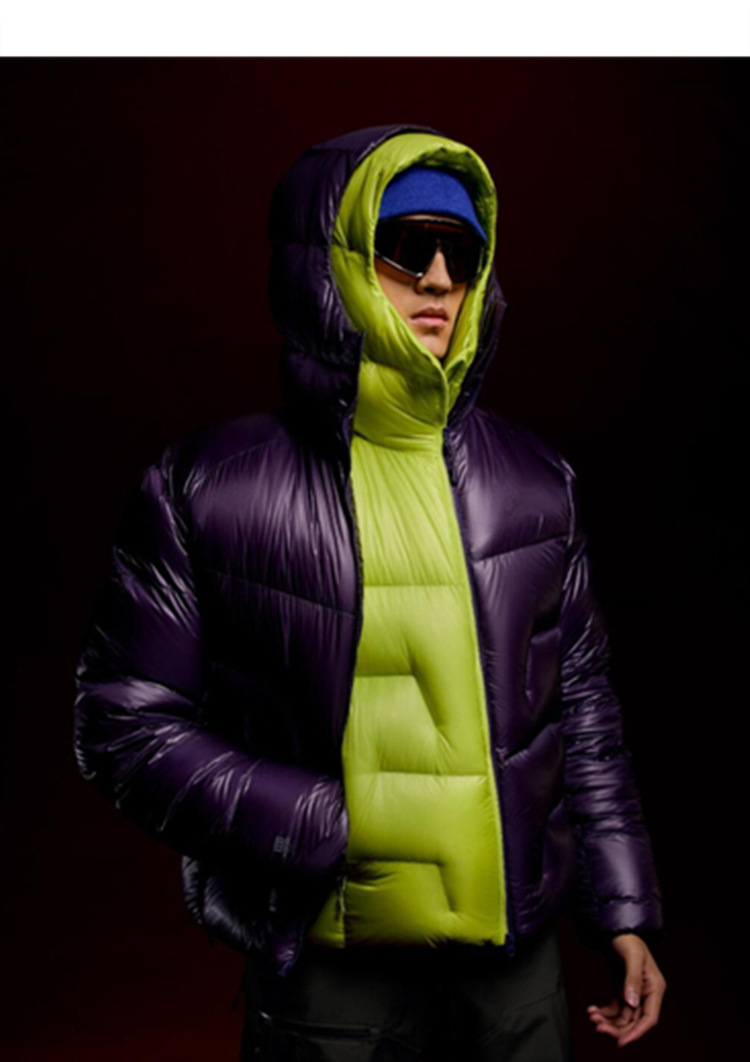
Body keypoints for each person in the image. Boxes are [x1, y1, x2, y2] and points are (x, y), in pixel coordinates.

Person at [73, 124, 666, 1060]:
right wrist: (318, 824)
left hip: (515, 974)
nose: (439, 278)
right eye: (406, 245)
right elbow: (123, 725)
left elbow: (583, 711)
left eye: (462, 252)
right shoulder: (210, 486)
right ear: (332, 263)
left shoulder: (535, 481)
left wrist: (621, 911)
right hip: (330, 971)